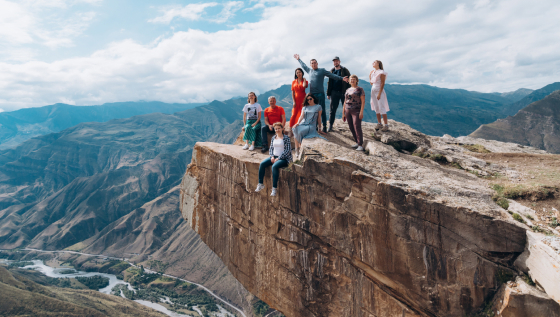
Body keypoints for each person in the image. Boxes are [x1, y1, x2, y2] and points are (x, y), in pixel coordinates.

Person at [294, 54, 349, 133]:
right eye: (312, 63)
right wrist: (298, 59)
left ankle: (324, 127)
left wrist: (341, 78)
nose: (313, 64)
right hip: (312, 95)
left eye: (315, 63)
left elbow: (332, 75)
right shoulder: (309, 71)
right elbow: (303, 65)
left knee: (322, 110)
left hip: (320, 94)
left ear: (317, 63)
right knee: (313, 111)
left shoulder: (322, 70)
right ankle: (315, 127)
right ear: (310, 65)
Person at [255, 122, 293, 197]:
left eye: (279, 128)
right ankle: (260, 184)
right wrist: (272, 156)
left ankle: (274, 188)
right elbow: (271, 148)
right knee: (262, 164)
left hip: (284, 158)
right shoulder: (273, 137)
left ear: (282, 129)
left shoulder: (286, 138)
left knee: (274, 166)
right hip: (274, 156)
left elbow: (287, 151)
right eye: (276, 129)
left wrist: (279, 158)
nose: (277, 130)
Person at [326, 56, 351, 132]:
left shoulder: (344, 70)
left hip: (344, 92)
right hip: (334, 92)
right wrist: (328, 93)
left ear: (339, 62)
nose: (335, 62)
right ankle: (330, 126)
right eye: (334, 61)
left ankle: (351, 125)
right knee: (332, 110)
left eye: (337, 61)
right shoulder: (331, 71)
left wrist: (349, 92)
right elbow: (329, 83)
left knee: (347, 109)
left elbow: (350, 81)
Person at [342, 75, 365, 151]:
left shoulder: (360, 89)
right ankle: (357, 142)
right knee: (351, 126)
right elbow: (345, 101)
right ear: (349, 81)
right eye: (351, 79)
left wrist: (361, 112)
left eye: (354, 79)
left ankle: (360, 145)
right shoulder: (348, 90)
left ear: (356, 80)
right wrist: (343, 113)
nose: (352, 81)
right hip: (347, 109)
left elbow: (363, 101)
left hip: (356, 110)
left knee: (357, 126)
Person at [369, 60, 390, 131]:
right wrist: (369, 75)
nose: (373, 63)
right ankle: (379, 123)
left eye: (374, 62)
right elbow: (371, 83)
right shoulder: (373, 72)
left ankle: (386, 125)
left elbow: (383, 83)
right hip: (373, 90)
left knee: (381, 107)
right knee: (376, 106)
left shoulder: (382, 72)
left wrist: (379, 93)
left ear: (378, 64)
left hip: (379, 91)